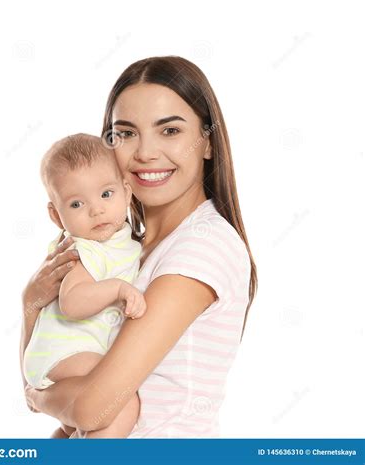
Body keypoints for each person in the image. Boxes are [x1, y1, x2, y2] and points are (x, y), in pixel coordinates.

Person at [22, 55, 258, 438]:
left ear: (208, 144)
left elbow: (92, 408)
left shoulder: (202, 248)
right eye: (126, 133)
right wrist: (30, 305)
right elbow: (49, 366)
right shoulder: (126, 247)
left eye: (169, 131)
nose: (146, 152)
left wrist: (38, 400)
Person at [21, 133, 147, 438]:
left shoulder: (119, 240)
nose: (96, 210)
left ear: (126, 193)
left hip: (65, 352)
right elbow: (72, 302)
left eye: (106, 194)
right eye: (77, 203)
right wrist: (118, 288)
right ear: (56, 215)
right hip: (65, 351)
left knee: (78, 428)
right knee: (120, 402)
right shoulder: (84, 249)